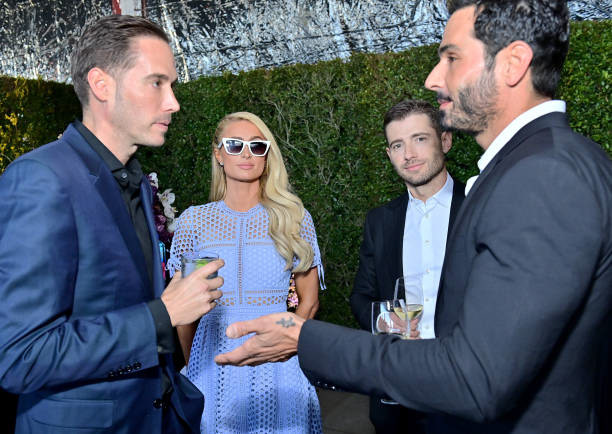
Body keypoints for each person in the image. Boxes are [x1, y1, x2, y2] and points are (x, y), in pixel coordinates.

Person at [214, 1, 612, 433]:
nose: (434, 78)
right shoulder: (543, 163)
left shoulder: (542, 176)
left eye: (452, 57)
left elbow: (475, 379)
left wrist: (303, 337)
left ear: (513, 63)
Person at [0, 15, 224, 434]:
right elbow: (20, 357)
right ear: (102, 84)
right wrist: (163, 315)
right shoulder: (42, 179)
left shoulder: (134, 181)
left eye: (172, 85)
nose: (173, 102)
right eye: (156, 83)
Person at [167, 111, 324, 433]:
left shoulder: (293, 217)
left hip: (280, 361)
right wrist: (195, 364)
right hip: (211, 359)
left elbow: (309, 303)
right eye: (235, 145)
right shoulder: (193, 222)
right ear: (218, 154)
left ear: (267, 155)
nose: (247, 154)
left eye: (257, 146)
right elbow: (184, 311)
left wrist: (289, 346)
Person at [350, 99, 464, 433]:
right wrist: (383, 321)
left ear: (445, 140)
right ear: (389, 154)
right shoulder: (380, 222)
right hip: (399, 388)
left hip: (464, 385)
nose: (409, 154)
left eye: (420, 139)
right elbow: (361, 296)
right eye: (398, 145)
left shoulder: (479, 206)